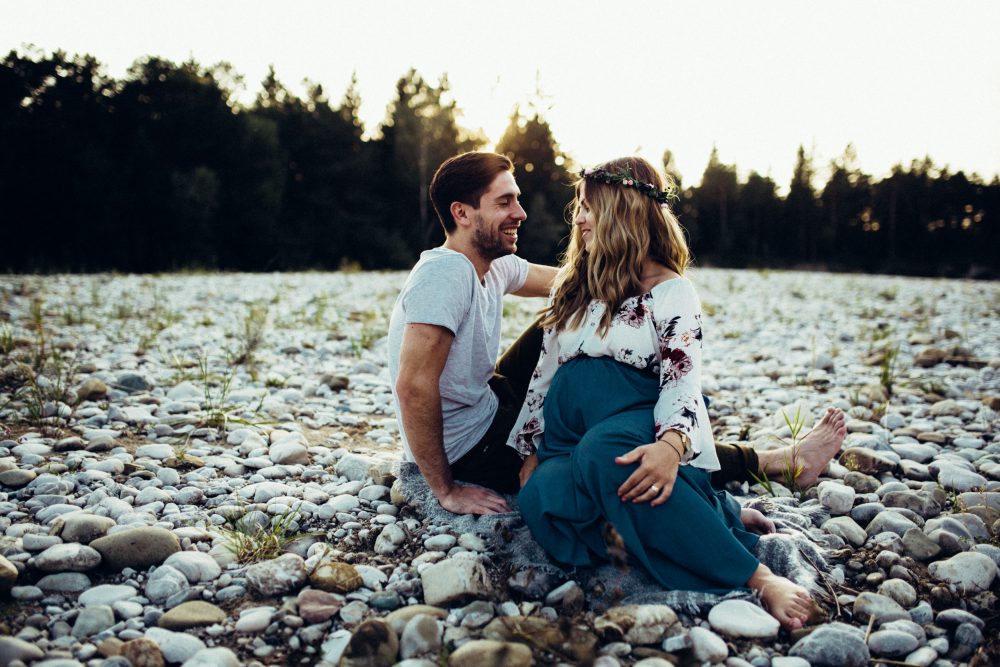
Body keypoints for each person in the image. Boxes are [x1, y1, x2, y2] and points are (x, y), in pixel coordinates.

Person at [388, 151, 843, 517]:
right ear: (462, 213)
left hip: (489, 398)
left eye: (517, 199)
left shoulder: (491, 263)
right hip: (471, 443)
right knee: (617, 438)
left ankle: (661, 412)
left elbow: (573, 284)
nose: (521, 212)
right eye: (504, 202)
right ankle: (771, 462)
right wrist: (445, 489)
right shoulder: (445, 275)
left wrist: (652, 285)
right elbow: (413, 386)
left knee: (568, 308)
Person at [512, 157, 847, 629]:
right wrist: (531, 448)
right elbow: (544, 374)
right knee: (541, 494)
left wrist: (670, 448)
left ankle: (755, 575)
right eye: (579, 209)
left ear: (622, 211)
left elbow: (681, 384)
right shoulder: (572, 285)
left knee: (611, 457)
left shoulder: (672, 292)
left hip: (634, 418)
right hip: (568, 434)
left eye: (589, 208)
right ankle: (711, 512)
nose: (579, 219)